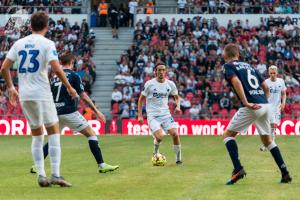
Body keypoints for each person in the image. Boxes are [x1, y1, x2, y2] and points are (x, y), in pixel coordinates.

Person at [0, 12, 78, 187]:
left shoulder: (18, 43)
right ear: (47, 26)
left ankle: (41, 175)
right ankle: (56, 174)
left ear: (30, 26)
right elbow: (57, 70)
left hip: (25, 95)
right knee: (53, 131)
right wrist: (69, 87)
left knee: (36, 134)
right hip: (42, 93)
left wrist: (12, 88)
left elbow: (4, 68)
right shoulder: (47, 43)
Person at [30, 52, 119, 174]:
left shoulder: (54, 77)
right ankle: (102, 165)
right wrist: (97, 111)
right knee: (91, 134)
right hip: (69, 112)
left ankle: (37, 166)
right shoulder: (74, 76)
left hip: (54, 113)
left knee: (53, 139)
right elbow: (83, 96)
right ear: (72, 62)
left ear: (61, 63)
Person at [222, 43, 291, 185]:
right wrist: (263, 101)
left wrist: (246, 102)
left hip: (252, 106)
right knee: (268, 141)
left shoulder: (228, 66)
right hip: (265, 105)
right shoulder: (249, 66)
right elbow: (265, 86)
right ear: (238, 54)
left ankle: (238, 168)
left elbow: (236, 82)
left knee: (227, 136)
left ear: (225, 55)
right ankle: (285, 173)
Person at [137, 63, 182, 165]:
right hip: (153, 115)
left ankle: (178, 159)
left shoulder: (170, 84)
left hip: (166, 114)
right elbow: (141, 100)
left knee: (175, 134)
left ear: (165, 71)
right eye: (159, 70)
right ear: (155, 72)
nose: (161, 72)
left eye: (163, 70)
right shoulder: (149, 84)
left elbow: (177, 97)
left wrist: (178, 106)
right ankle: (155, 152)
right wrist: (140, 115)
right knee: (159, 137)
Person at [260, 65, 286, 151]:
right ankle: (270, 144)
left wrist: (283, 103)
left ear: (277, 73)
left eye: (274, 73)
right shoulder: (266, 82)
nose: (272, 74)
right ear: (268, 73)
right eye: (271, 73)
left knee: (274, 126)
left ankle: (268, 143)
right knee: (271, 125)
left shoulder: (281, 81)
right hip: (268, 106)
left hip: (277, 107)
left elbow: (284, 93)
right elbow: (262, 94)